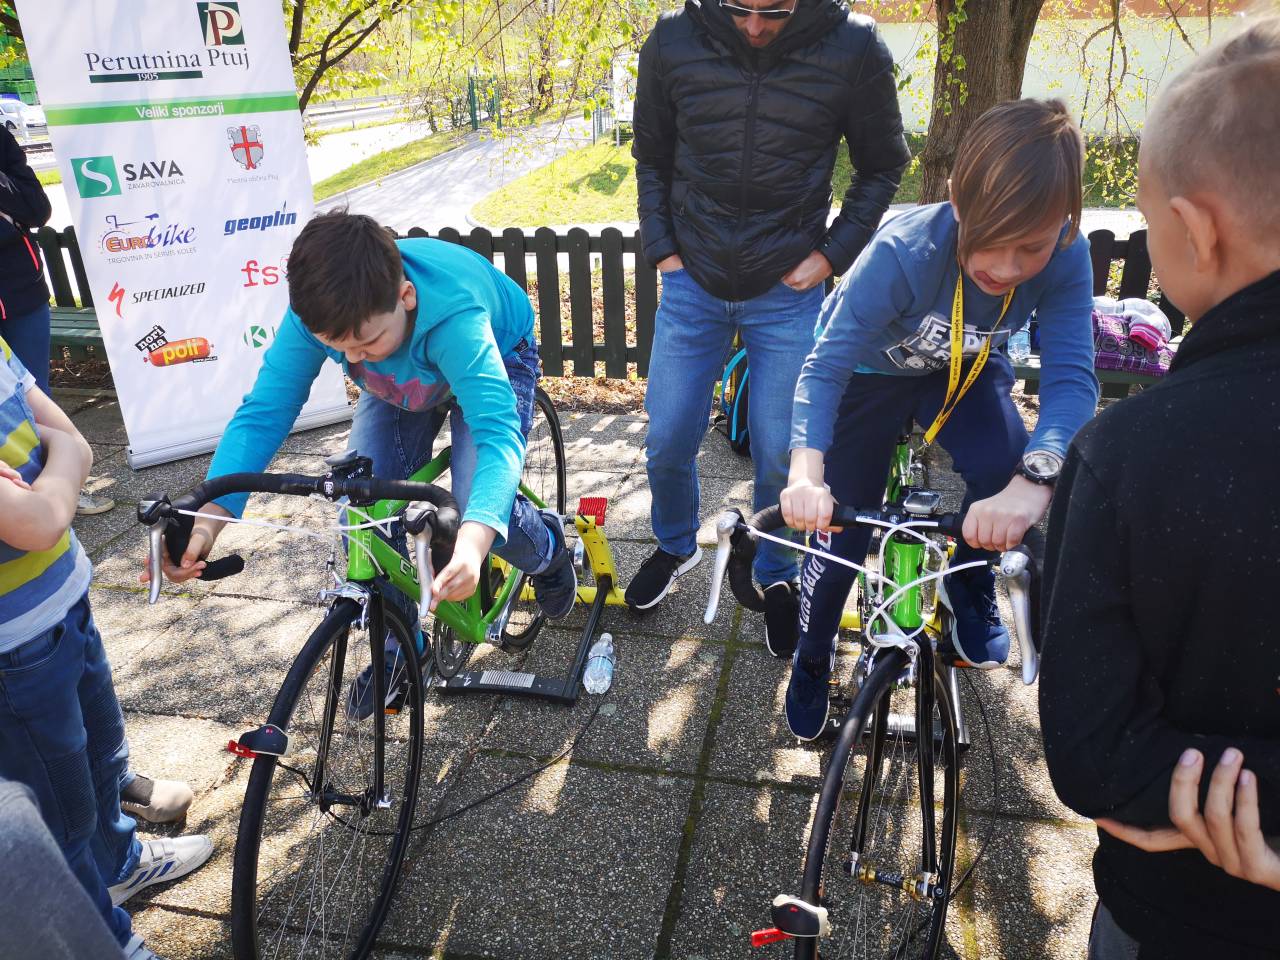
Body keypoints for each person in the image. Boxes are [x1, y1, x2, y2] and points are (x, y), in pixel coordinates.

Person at [1038, 15, 1280, 958]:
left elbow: (1095, 758)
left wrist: (1238, 802)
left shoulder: (1129, 455)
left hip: (1184, 919)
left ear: (1195, 230)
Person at [149, 211, 577, 714]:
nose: (356, 359)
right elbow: (264, 412)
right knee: (364, 506)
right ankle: (401, 641)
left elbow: (497, 433)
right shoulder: (325, 315)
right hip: (404, 383)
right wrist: (208, 520)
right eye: (340, 349)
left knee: (474, 508)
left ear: (405, 296)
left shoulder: (454, 316)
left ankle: (549, 549)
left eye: (367, 342)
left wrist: (475, 541)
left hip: (496, 353)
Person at [781, 98, 1099, 741]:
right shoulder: (905, 251)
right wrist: (806, 473)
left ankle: (968, 583)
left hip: (964, 367)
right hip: (867, 374)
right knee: (840, 534)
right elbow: (825, 367)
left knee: (1004, 464)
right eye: (990, 240)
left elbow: (1072, 379)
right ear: (956, 201)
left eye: (1031, 248)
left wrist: (1033, 481)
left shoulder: (1068, 254)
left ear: (1064, 225)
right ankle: (812, 653)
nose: (1006, 268)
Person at [626, 0, 911, 659]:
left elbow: (882, 166)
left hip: (787, 291)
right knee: (667, 437)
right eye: (740, 9)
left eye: (774, 11)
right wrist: (664, 250)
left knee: (783, 452)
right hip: (692, 282)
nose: (754, 26)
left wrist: (831, 255)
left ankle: (776, 571)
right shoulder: (672, 40)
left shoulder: (854, 47)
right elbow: (651, 157)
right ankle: (674, 544)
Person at [0, 334, 213, 960]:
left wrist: (60, 463)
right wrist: (59, 466)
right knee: (60, 821)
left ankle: (119, 862)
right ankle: (107, 941)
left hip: (65, 597)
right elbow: (41, 519)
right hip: (16, 650)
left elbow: (77, 442)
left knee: (101, 753)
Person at [0, 125, 114, 516]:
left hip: (21, 292)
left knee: (36, 396)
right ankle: (14, 504)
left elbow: (36, 208)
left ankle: (60, 492)